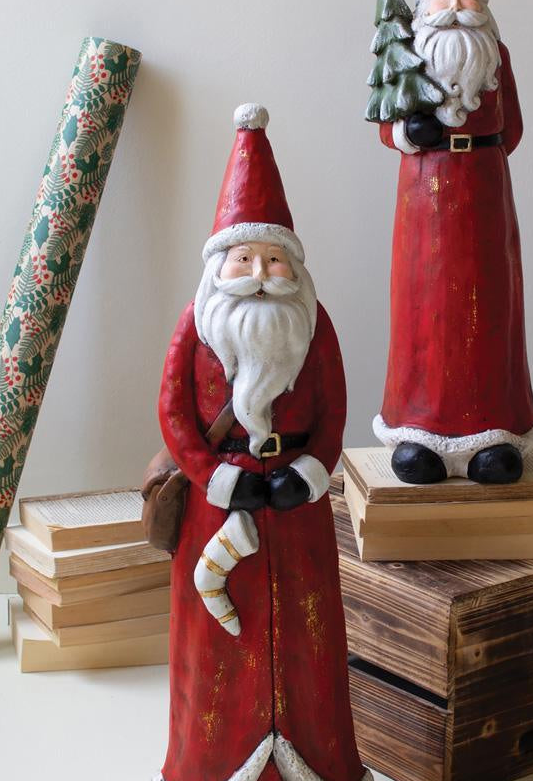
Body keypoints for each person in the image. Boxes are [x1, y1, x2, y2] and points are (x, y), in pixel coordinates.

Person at [155, 104, 371, 781]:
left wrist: (310, 471)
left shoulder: (313, 323)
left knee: (309, 630)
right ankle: (212, 761)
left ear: (292, 267)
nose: (258, 271)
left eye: (273, 259)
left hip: (296, 505)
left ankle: (316, 757)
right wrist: (216, 477)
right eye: (244, 257)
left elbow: (334, 409)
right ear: (220, 265)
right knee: (218, 638)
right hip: (216, 505)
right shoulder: (196, 325)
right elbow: (173, 413)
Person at [374, 0, 533, 484]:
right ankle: (420, 431)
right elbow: (386, 120)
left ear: (483, 6)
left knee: (489, 305)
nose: (455, 5)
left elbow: (512, 127)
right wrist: (409, 133)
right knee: (424, 308)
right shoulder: (409, 56)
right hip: (423, 196)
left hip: (485, 192)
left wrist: (479, 151)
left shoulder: (496, 56)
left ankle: (492, 434)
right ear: (425, 6)